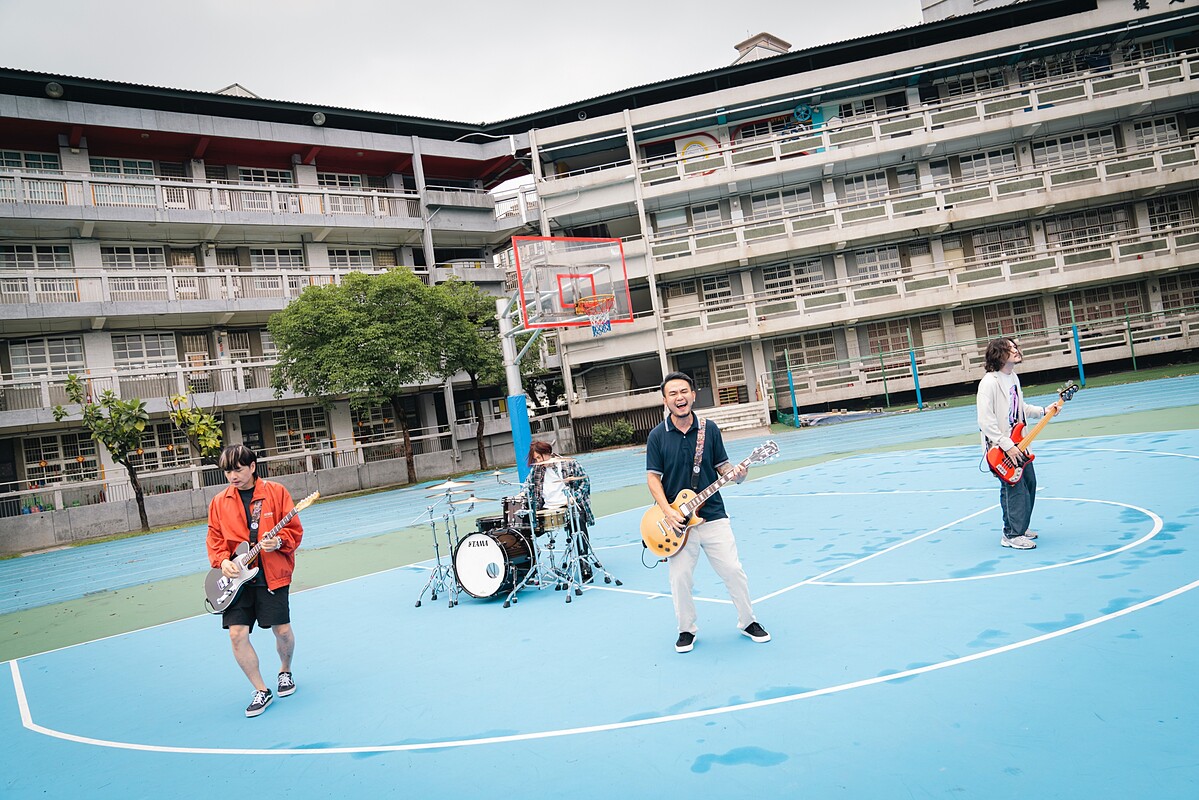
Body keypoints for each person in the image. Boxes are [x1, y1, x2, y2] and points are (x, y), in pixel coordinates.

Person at [646, 371, 770, 653]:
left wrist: (738, 473)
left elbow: (723, 468)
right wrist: (668, 512)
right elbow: (653, 478)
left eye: (684, 392)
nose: (680, 398)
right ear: (665, 400)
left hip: (713, 514)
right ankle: (686, 630)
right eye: (673, 393)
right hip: (677, 524)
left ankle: (748, 621)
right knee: (679, 579)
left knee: (733, 570)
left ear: (693, 394)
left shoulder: (709, 429)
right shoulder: (656, 436)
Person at [206, 444, 304, 717]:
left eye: (237, 469)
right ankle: (261, 690)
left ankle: (285, 671)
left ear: (252, 466)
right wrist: (222, 560)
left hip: (271, 574)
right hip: (236, 580)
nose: (233, 476)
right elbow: (215, 538)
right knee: (237, 634)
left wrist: (280, 542)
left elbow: (294, 531)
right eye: (227, 471)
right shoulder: (219, 502)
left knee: (282, 630)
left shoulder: (275, 493)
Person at [976, 337, 1062, 551]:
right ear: (999, 354)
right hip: (1001, 449)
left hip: (1019, 444)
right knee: (1013, 488)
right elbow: (986, 421)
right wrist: (1007, 445)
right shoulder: (989, 382)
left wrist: (1043, 410)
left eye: (1015, 347)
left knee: (1029, 483)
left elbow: (1018, 407)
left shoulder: (1012, 377)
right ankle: (1012, 534)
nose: (1016, 350)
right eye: (1011, 348)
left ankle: (1020, 527)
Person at [528, 440, 595, 580]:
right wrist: (521, 495)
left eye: (539, 458)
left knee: (578, 520)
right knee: (525, 529)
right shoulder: (537, 470)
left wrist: (574, 498)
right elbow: (527, 487)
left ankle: (583, 562)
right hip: (546, 509)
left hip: (567, 505)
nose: (538, 461)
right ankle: (529, 565)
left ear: (547, 453)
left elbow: (585, 481)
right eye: (536, 459)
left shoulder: (569, 463)